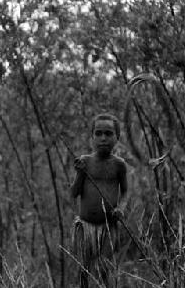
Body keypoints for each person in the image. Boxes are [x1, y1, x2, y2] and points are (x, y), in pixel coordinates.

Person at [70, 113, 128, 288]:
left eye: (108, 134)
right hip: (85, 227)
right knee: (83, 269)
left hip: (109, 227)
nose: (103, 138)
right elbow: (74, 192)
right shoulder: (85, 162)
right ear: (92, 137)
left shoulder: (119, 165)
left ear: (117, 137)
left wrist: (121, 208)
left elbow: (125, 192)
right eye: (99, 133)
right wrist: (80, 173)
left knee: (104, 267)